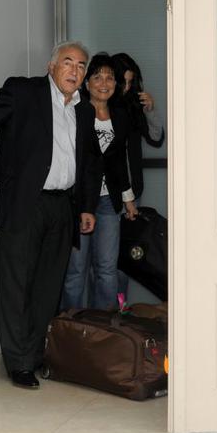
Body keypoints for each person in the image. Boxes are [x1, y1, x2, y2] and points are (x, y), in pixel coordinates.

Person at [0, 41, 102, 389]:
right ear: (51, 66)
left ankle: (36, 355)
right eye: (68, 62)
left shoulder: (84, 109)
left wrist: (86, 206)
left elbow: (89, 161)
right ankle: (18, 362)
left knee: (48, 287)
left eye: (81, 66)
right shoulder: (23, 92)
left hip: (62, 206)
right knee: (17, 285)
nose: (74, 71)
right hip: (24, 203)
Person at [61, 53, 138, 312]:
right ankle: (72, 324)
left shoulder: (120, 115)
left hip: (109, 201)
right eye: (97, 77)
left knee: (107, 269)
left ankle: (102, 327)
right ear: (87, 82)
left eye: (109, 77)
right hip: (80, 200)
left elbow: (119, 161)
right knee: (76, 270)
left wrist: (128, 199)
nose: (104, 83)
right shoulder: (76, 112)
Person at [111, 52, 164, 199]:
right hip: (106, 191)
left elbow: (156, 139)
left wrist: (150, 111)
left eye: (130, 82)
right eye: (123, 82)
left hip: (133, 189)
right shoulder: (99, 106)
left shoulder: (134, 105)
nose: (126, 88)